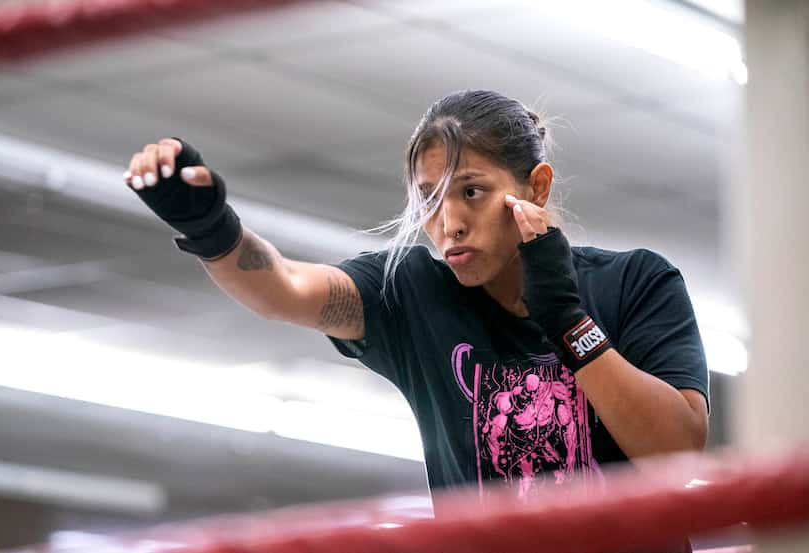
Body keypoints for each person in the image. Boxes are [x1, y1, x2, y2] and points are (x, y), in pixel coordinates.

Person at [124, 90, 709, 544]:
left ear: (536, 186)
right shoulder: (413, 292)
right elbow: (285, 289)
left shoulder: (636, 282)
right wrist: (209, 227)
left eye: (471, 192)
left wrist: (564, 318)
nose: (448, 221)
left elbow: (677, 454)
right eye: (429, 198)